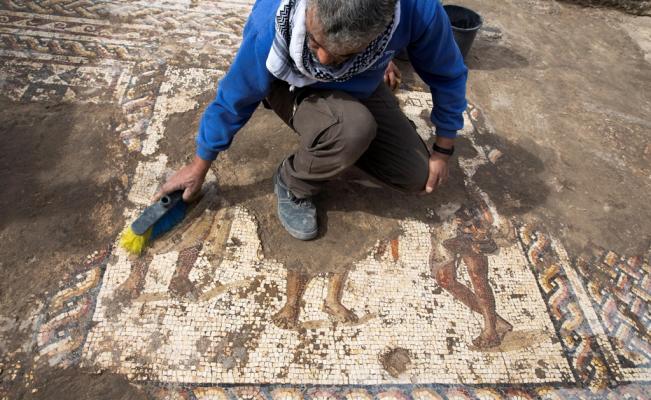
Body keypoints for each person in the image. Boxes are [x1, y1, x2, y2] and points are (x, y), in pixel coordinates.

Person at [154, 0, 468, 241]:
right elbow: (234, 97)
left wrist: (443, 149)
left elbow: (448, 73)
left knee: (415, 175)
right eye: (315, 43)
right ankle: (293, 183)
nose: (322, 61)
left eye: (342, 54)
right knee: (353, 129)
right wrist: (199, 166)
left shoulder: (416, 9)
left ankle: (348, 109)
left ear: (381, 30)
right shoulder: (272, 21)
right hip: (290, 83)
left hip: (365, 77)